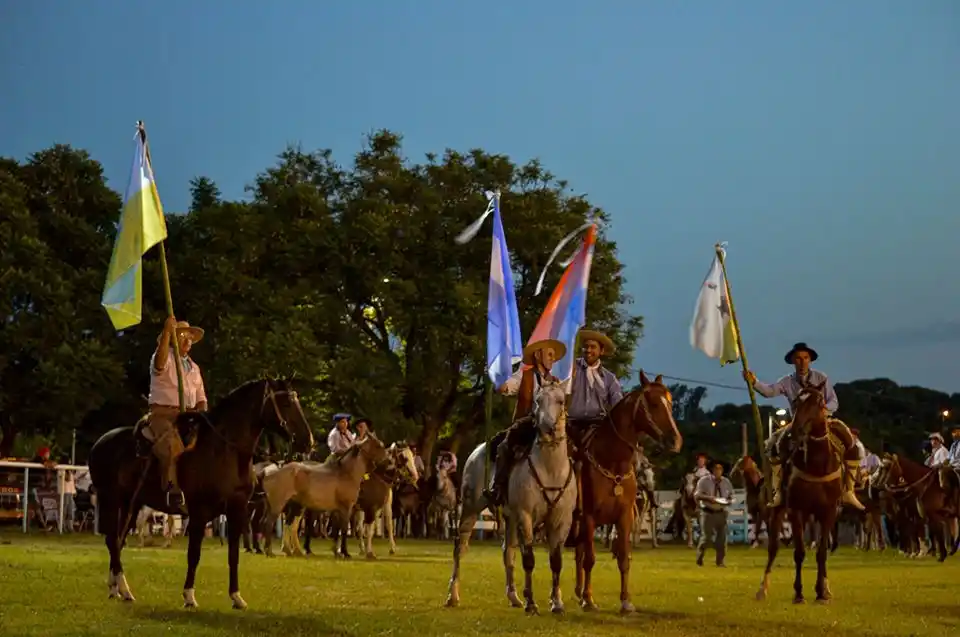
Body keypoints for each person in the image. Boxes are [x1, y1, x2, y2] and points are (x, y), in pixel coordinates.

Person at [743, 342, 863, 510]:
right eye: (798, 358)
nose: (802, 362)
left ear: (810, 360)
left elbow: (834, 401)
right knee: (772, 445)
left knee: (852, 443)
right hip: (797, 423)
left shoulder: (821, 378)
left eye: (805, 358)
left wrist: (823, 411)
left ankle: (849, 490)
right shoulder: (787, 381)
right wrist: (754, 382)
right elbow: (770, 391)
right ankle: (778, 490)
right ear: (793, 361)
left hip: (823, 421)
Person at [482, 338, 565, 506]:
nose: (552, 358)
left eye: (554, 356)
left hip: (550, 428)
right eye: (549, 354)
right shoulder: (524, 375)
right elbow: (506, 387)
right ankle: (498, 488)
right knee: (504, 447)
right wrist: (497, 379)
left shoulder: (556, 382)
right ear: (537, 355)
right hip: (527, 424)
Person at [147, 317, 207, 509]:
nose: (187, 340)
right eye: (182, 336)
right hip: (163, 413)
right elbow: (159, 364)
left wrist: (203, 417)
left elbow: (201, 398)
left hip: (188, 415)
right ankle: (173, 492)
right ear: (174, 340)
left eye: (189, 337)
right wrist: (166, 332)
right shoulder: (165, 357)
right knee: (172, 446)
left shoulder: (195, 368)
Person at [694, 460, 734, 567]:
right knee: (707, 537)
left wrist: (729, 500)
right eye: (716, 469)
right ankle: (700, 558)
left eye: (720, 469)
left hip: (721, 512)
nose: (718, 471)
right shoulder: (704, 481)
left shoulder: (726, 482)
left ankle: (720, 561)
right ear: (712, 470)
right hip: (708, 512)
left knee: (722, 538)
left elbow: (730, 496)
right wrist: (708, 498)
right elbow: (697, 496)